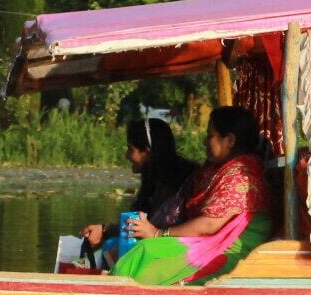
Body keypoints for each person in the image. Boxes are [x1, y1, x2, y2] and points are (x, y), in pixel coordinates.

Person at [111, 106, 274, 285]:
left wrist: (157, 233)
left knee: (146, 252)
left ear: (229, 140)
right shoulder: (219, 170)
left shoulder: (241, 175)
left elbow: (209, 224)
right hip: (211, 244)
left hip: (229, 253)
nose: (204, 142)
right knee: (141, 250)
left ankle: (116, 291)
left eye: (210, 135)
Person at [76, 117, 198, 269]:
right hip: (153, 247)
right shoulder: (154, 181)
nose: (126, 156)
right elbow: (144, 226)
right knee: (111, 244)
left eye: (130, 149)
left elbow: (156, 228)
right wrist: (105, 230)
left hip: (178, 254)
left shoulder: (184, 183)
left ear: (147, 152)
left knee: (113, 247)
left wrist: (156, 233)